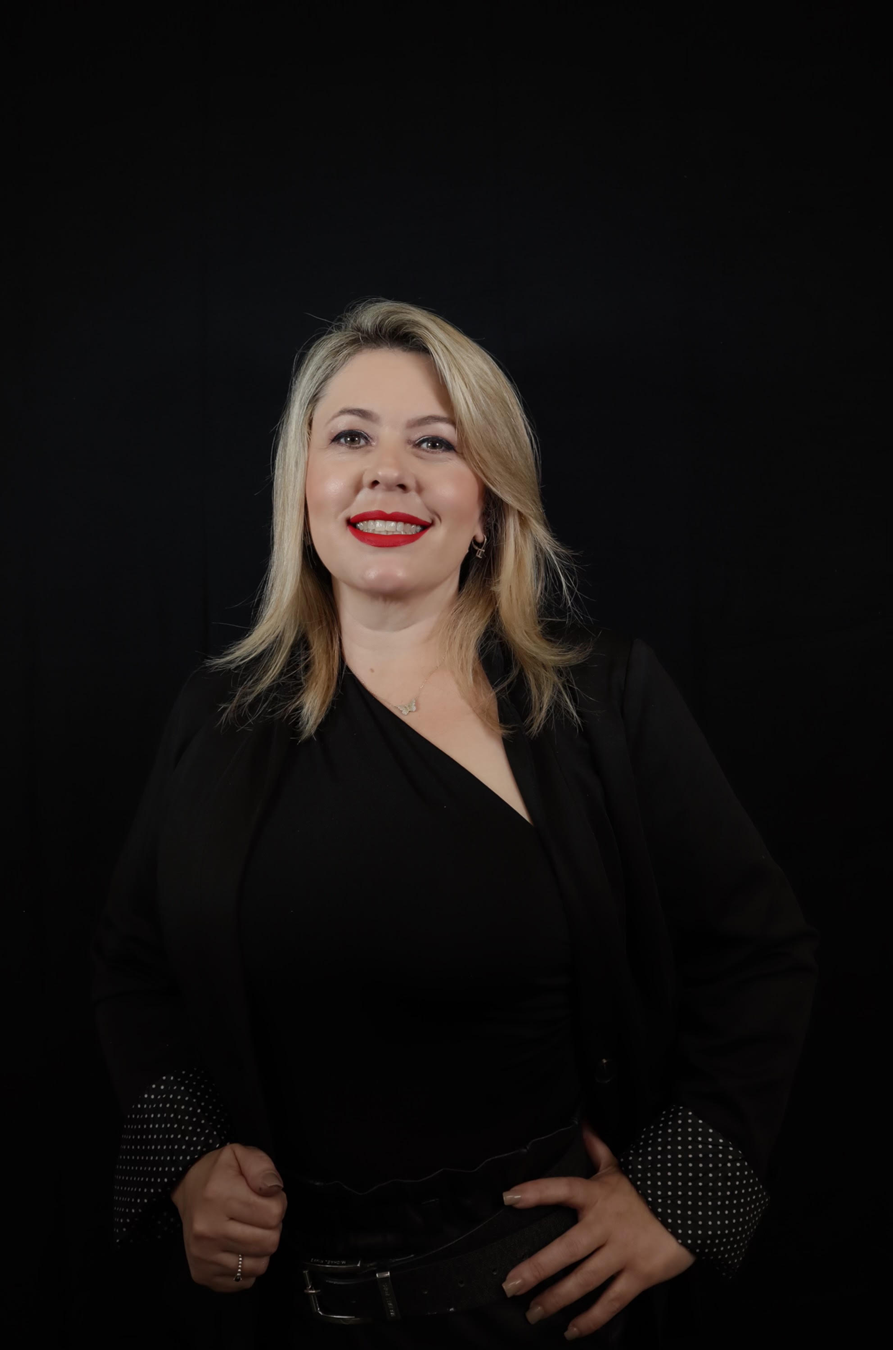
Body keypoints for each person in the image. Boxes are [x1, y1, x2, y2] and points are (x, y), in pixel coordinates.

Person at [90, 298, 819, 1349]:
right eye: (350, 437)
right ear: (305, 489)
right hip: (272, 1321)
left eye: (435, 443)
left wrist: (681, 1198)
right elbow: (132, 963)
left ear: (488, 505)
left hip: (531, 1314)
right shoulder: (214, 715)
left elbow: (762, 956)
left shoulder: (605, 700)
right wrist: (189, 1165)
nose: (388, 470)